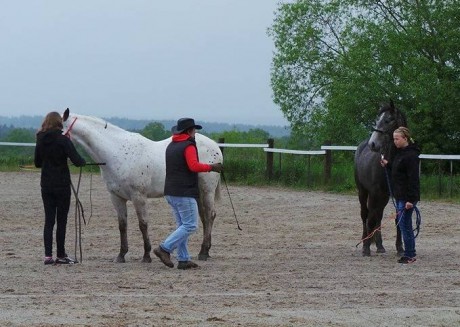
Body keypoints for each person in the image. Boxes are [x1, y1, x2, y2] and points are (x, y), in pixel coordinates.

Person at [153, 118, 223, 270]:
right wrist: (211, 167)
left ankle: (183, 259)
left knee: (182, 226)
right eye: (194, 130)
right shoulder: (188, 146)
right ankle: (164, 248)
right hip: (184, 192)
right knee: (191, 225)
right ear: (189, 131)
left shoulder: (171, 146)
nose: (195, 133)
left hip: (171, 191)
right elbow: (193, 166)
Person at [34, 111, 86, 265]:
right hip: (62, 185)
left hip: (46, 185)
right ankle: (61, 255)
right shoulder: (63, 140)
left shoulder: (40, 139)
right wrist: (81, 160)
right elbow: (77, 160)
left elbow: (37, 163)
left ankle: (48, 256)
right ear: (59, 123)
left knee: (49, 221)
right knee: (61, 221)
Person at [380, 126, 420, 264]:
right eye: (394, 139)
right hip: (401, 196)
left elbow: (413, 179)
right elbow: (399, 171)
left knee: (405, 226)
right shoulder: (401, 153)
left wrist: (411, 199)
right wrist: (388, 165)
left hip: (406, 198)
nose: (395, 141)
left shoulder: (411, 156)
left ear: (405, 138)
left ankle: (410, 255)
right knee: (403, 225)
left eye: (397, 139)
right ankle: (410, 253)